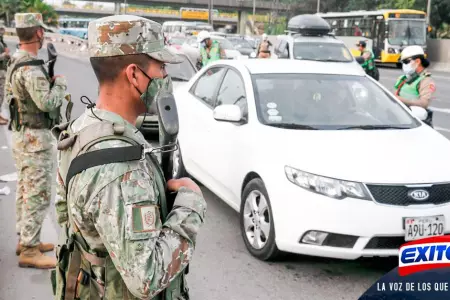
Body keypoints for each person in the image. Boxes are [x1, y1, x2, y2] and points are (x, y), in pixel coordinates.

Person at [52, 15, 207, 299]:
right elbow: (146, 277)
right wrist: (190, 206)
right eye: (160, 67)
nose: (164, 77)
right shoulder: (120, 169)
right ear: (134, 74)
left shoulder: (83, 128)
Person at [4, 13, 68, 268]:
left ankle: (26, 238)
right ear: (39, 33)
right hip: (35, 140)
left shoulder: (16, 60)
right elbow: (48, 102)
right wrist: (60, 85)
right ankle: (29, 250)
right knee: (37, 194)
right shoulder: (30, 68)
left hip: (23, 136)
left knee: (24, 190)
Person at [394, 45, 436, 126]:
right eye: (403, 62)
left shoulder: (426, 80)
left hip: (415, 122)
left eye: (406, 62)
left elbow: (424, 103)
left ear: (417, 61)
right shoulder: (404, 78)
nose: (404, 65)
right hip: (399, 118)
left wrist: (400, 100)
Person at [0, 25, 10, 125]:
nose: (2, 31)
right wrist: (5, 55)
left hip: (2, 70)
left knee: (2, 95)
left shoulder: (1, 41)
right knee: (0, 95)